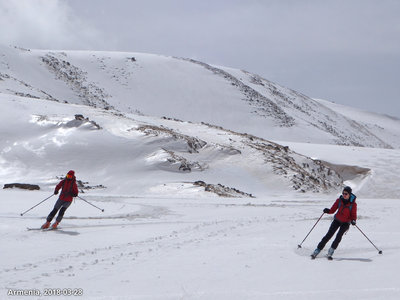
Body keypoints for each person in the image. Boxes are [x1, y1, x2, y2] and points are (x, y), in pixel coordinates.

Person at [311, 186, 357, 259]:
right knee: (328, 235)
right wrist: (328, 211)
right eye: (343, 193)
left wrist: (353, 220)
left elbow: (353, 215)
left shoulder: (353, 204)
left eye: (346, 194)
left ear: (350, 194)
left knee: (338, 237)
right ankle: (317, 250)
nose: (344, 195)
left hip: (345, 223)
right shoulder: (339, 200)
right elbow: (333, 210)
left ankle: (330, 252)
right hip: (337, 220)